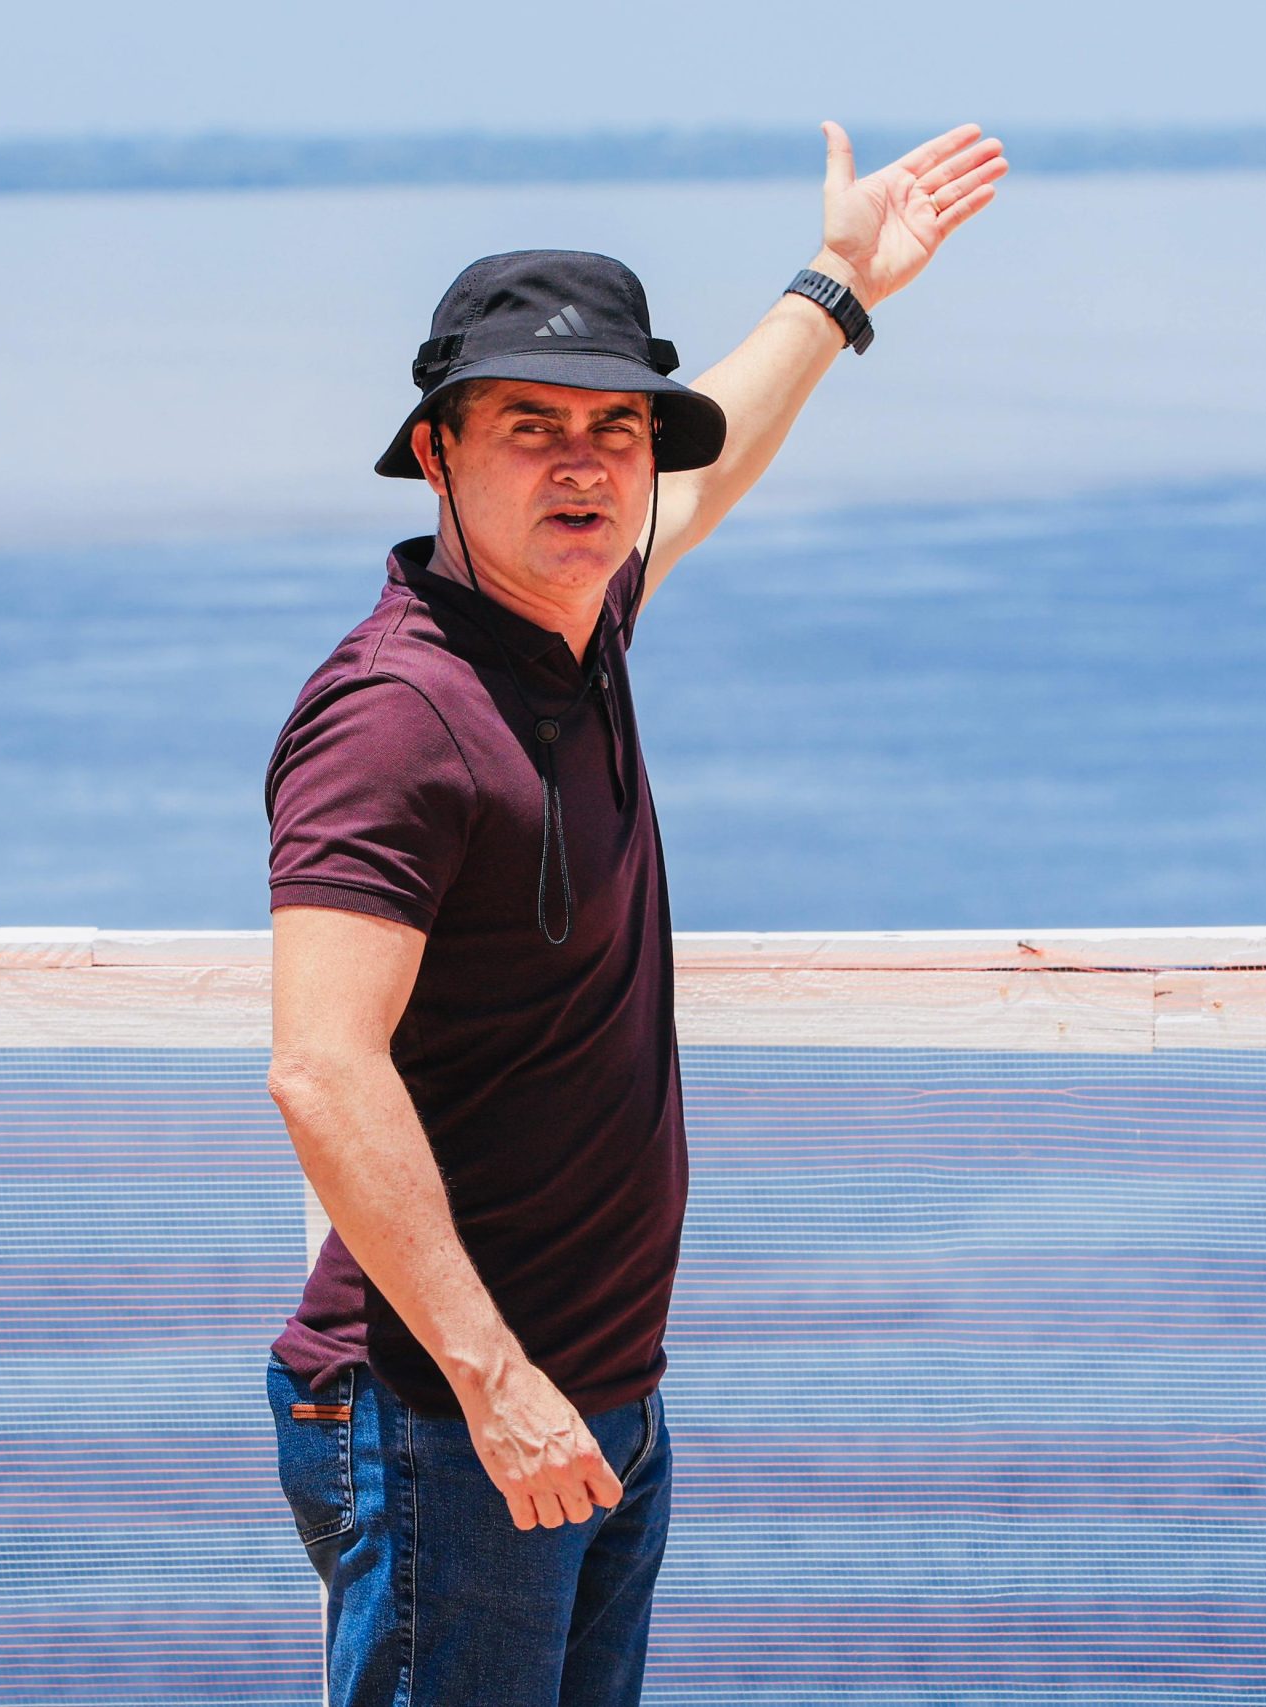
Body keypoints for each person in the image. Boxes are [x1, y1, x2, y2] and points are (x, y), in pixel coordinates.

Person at [259, 121, 1005, 1705]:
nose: (586, 463)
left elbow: (711, 463)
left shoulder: (573, 626)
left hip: (597, 1398)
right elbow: (323, 1069)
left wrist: (839, 285)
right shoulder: (396, 716)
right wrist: (496, 1384)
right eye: (532, 426)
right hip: (452, 1416)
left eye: (616, 428)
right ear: (438, 452)